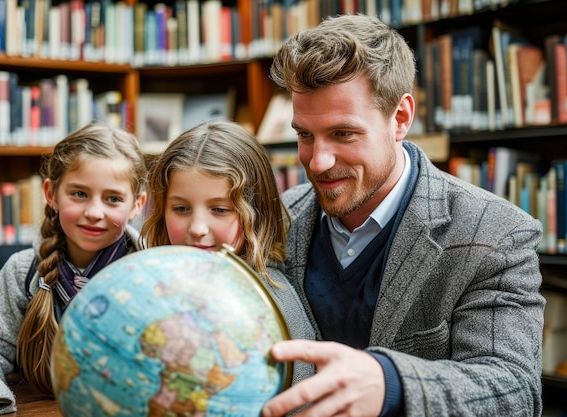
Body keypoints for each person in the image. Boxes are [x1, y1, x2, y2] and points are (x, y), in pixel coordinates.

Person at [261, 13, 546, 417]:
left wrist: (390, 383)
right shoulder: (277, 218)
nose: (318, 162)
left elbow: (513, 390)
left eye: (344, 134)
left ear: (400, 118)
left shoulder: (496, 234)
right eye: (305, 135)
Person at [0, 122, 149, 416]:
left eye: (113, 199)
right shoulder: (22, 271)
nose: (94, 212)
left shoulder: (154, 273)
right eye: (79, 194)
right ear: (51, 193)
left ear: (137, 205)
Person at [140, 119, 316, 387]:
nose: (198, 229)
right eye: (181, 209)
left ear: (256, 214)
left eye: (220, 210)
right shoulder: (153, 285)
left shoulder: (271, 300)